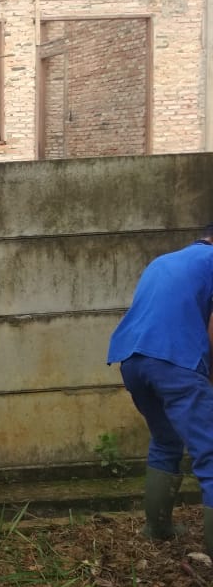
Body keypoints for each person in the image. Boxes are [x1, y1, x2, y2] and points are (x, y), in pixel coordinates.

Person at [107, 226, 213, 555]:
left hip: (131, 360)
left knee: (166, 439)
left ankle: (156, 527)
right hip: (174, 361)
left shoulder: (164, 261)